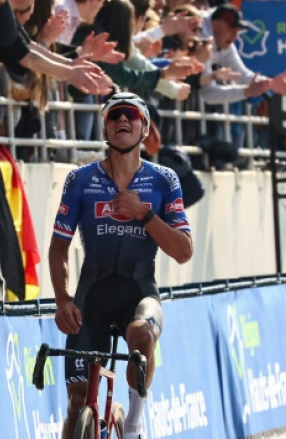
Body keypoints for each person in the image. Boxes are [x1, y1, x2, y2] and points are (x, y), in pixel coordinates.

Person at [49, 92, 193, 439]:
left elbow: (183, 250)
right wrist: (62, 299)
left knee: (142, 335)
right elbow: (58, 247)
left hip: (139, 292)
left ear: (144, 129)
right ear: (105, 129)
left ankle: (134, 425)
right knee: (77, 402)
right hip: (91, 295)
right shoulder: (80, 180)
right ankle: (98, 416)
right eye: (114, 116)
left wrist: (144, 214)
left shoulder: (163, 180)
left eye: (130, 115)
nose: (122, 121)